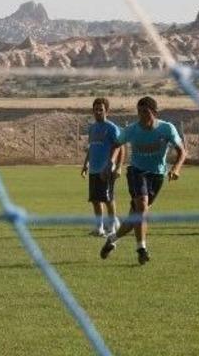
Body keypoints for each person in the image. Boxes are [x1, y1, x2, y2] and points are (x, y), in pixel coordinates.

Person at [100, 96, 186, 265]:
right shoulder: (132, 129)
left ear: (154, 112)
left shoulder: (166, 129)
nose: (142, 115)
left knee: (135, 218)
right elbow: (116, 144)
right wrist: (110, 163)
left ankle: (112, 239)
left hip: (157, 175)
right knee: (143, 206)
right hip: (136, 172)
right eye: (139, 112)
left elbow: (182, 151)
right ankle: (141, 249)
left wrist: (176, 168)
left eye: (145, 111)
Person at [80, 98, 123, 237]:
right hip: (93, 169)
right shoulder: (92, 128)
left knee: (108, 199)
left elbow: (121, 147)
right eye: (95, 109)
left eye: (101, 109)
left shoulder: (111, 128)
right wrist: (86, 164)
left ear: (107, 111)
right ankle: (99, 228)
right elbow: (91, 148)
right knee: (95, 200)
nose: (98, 112)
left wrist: (118, 167)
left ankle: (112, 227)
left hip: (107, 169)